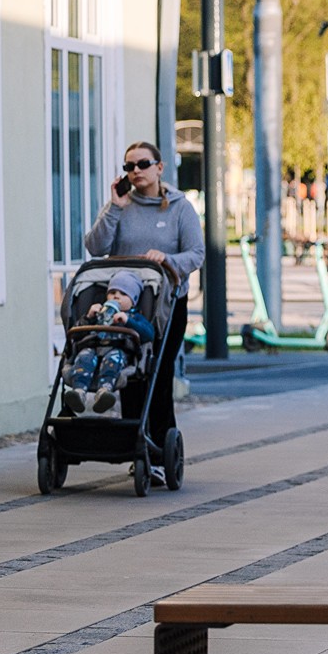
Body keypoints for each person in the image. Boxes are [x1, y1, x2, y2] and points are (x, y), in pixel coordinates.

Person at [83, 142, 203, 474]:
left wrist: (167, 259)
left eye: (143, 164)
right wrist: (115, 207)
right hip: (125, 305)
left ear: (159, 168)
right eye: (129, 166)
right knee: (130, 375)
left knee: (159, 376)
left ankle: (161, 454)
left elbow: (196, 254)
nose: (135, 171)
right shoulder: (120, 206)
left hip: (166, 306)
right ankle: (137, 452)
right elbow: (95, 246)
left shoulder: (179, 207)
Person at [62, 270, 156, 416]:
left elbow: (149, 334)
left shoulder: (134, 317)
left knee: (113, 358)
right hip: (93, 348)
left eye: (123, 294)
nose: (116, 296)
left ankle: (104, 392)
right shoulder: (98, 312)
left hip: (118, 350)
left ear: (134, 300)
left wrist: (128, 321)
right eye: (112, 292)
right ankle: (78, 393)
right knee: (83, 356)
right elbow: (77, 333)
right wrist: (88, 317)